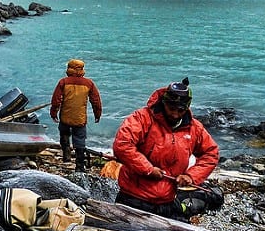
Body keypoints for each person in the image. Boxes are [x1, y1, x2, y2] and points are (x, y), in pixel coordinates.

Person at [112, 77, 219, 221]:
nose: (175, 113)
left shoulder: (194, 128)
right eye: (171, 108)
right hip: (134, 198)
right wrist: (148, 169)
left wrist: (191, 176)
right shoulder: (142, 118)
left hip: (167, 200)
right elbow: (122, 145)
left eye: (180, 110)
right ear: (164, 103)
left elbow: (211, 153)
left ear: (187, 107)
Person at [49, 59, 102, 171]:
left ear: (69, 68)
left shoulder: (63, 82)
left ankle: (67, 157)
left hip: (65, 117)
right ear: (82, 69)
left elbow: (56, 100)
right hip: (80, 119)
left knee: (64, 135)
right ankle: (79, 166)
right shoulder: (89, 83)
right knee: (80, 141)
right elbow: (96, 101)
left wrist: (53, 113)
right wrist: (97, 114)